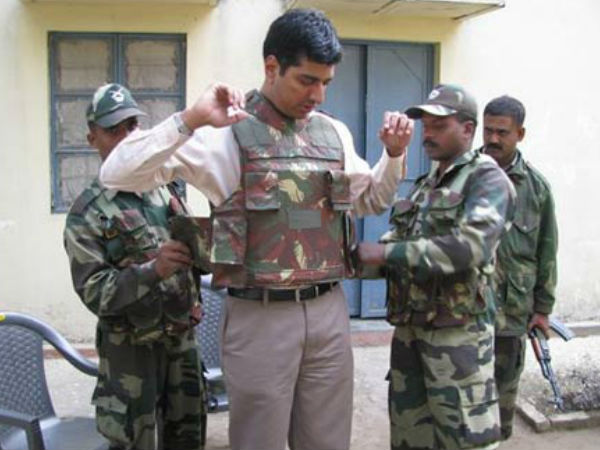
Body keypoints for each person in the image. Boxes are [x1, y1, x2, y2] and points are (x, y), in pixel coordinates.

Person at [99, 8, 413, 450]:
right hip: (260, 316)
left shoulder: (334, 134)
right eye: (307, 80)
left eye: (326, 82)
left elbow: (371, 200)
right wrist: (189, 120)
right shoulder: (223, 133)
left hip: (328, 310)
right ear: (271, 67)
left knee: (328, 442)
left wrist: (394, 156)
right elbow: (115, 174)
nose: (318, 94)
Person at [358, 84, 516, 450]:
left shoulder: (486, 179)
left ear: (468, 129)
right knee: (410, 437)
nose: (427, 134)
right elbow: (397, 244)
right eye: (426, 125)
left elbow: (469, 248)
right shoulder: (425, 185)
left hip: (458, 342)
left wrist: (384, 255)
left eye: (439, 125)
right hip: (411, 336)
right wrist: (349, 261)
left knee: (465, 440)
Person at [64, 83, 207, 450]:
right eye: (113, 129)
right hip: (129, 352)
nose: (127, 137)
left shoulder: (165, 188)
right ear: (92, 138)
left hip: (180, 343)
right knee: (133, 443)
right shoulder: (87, 212)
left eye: (131, 126)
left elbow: (191, 256)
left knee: (188, 438)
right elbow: (95, 292)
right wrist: (152, 271)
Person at [482, 95, 558, 440]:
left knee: (500, 408)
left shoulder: (537, 189)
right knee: (461, 407)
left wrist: (542, 310)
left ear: (520, 134)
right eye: (488, 130)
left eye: (502, 132)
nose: (493, 139)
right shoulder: (465, 176)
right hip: (464, 314)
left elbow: (547, 252)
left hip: (511, 315)